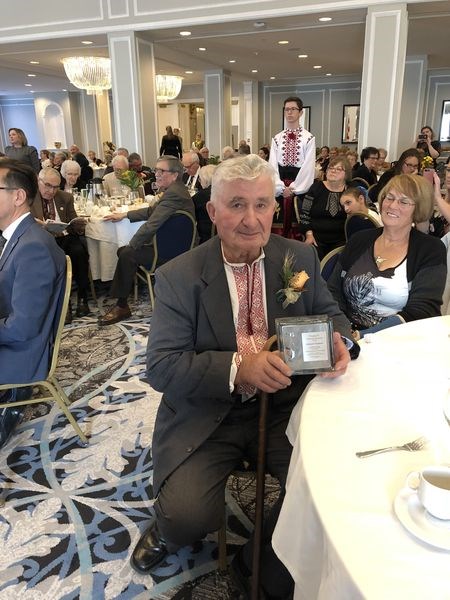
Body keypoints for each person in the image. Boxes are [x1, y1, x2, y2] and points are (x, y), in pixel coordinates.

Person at [130, 154, 355, 599]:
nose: (251, 220)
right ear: (213, 212)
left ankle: (250, 562)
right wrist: (238, 367)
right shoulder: (179, 276)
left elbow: (334, 317)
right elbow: (161, 366)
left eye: (261, 204)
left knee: (329, 493)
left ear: (275, 208)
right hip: (207, 413)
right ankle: (165, 523)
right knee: (185, 520)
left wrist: (340, 342)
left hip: (283, 408)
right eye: (236, 205)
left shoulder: (298, 255)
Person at [328, 174, 447, 340]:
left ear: (418, 208)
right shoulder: (360, 239)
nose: (392, 206)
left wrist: (362, 336)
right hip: (346, 338)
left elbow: (423, 310)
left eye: (404, 202)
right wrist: (342, 331)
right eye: (389, 198)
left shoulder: (430, 249)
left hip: (398, 342)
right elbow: (333, 289)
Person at [0, 159, 66, 445]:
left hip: (23, 355)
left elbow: (22, 329)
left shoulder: (32, 247)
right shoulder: (20, 237)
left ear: (18, 196)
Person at [98, 156, 195, 326]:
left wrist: (132, 245)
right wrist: (125, 215)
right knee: (124, 252)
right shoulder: (176, 190)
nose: (156, 174)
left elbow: (151, 225)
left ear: (174, 175)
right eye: (156, 170)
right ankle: (126, 291)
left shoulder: (174, 195)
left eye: (161, 171)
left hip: (170, 253)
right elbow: (152, 211)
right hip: (172, 246)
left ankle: (122, 306)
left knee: (126, 253)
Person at [31, 167, 91, 320]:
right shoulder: (29, 198)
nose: (51, 191)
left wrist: (78, 225)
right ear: (39, 181)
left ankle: (83, 298)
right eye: (48, 185)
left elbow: (74, 222)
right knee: (55, 257)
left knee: (79, 252)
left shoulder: (65, 197)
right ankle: (64, 304)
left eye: (56, 187)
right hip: (43, 240)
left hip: (65, 237)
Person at [297, 157, 351, 260]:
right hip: (316, 238)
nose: (333, 171)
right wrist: (309, 234)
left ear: (346, 174)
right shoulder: (316, 188)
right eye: (330, 168)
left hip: (342, 240)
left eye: (339, 169)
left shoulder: (351, 190)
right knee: (311, 258)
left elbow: (366, 209)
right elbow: (304, 213)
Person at [269, 96, 316, 199]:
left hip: (299, 190)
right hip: (280, 189)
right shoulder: (277, 138)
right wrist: (280, 188)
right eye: (287, 109)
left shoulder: (308, 138)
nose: (289, 112)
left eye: (293, 109)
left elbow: (308, 167)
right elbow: (272, 166)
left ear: (300, 112)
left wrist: (294, 188)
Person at [191, 164, 216, 243]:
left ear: (204, 179)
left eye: (200, 179)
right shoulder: (225, 193)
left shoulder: (199, 197)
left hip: (205, 238)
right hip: (224, 234)